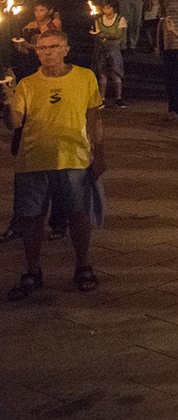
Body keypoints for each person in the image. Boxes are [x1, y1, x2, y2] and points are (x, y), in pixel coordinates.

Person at [2, 31, 105, 300]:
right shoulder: (27, 84)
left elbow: (94, 118)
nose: (47, 52)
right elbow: (14, 123)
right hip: (33, 159)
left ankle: (83, 265)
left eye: (53, 47)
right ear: (36, 52)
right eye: (41, 48)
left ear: (66, 49)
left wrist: (100, 154)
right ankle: (33, 271)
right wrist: (6, 101)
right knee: (32, 218)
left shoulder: (85, 77)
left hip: (73, 157)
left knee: (78, 215)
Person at [88, 0, 127, 108]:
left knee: (116, 73)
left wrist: (104, 35)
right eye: (104, 8)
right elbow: (96, 34)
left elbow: (118, 34)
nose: (106, 10)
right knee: (102, 73)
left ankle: (119, 98)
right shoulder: (99, 20)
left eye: (108, 7)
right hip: (101, 48)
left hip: (114, 49)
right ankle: (102, 98)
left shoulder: (120, 19)